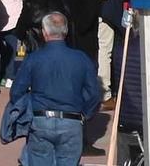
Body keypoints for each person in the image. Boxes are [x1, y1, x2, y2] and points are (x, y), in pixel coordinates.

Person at [8, 12, 100, 166]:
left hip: (41, 119)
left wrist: (27, 110)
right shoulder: (81, 58)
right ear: (66, 31)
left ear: (44, 33)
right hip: (71, 120)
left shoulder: (34, 58)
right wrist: (85, 114)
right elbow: (93, 94)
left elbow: (17, 92)